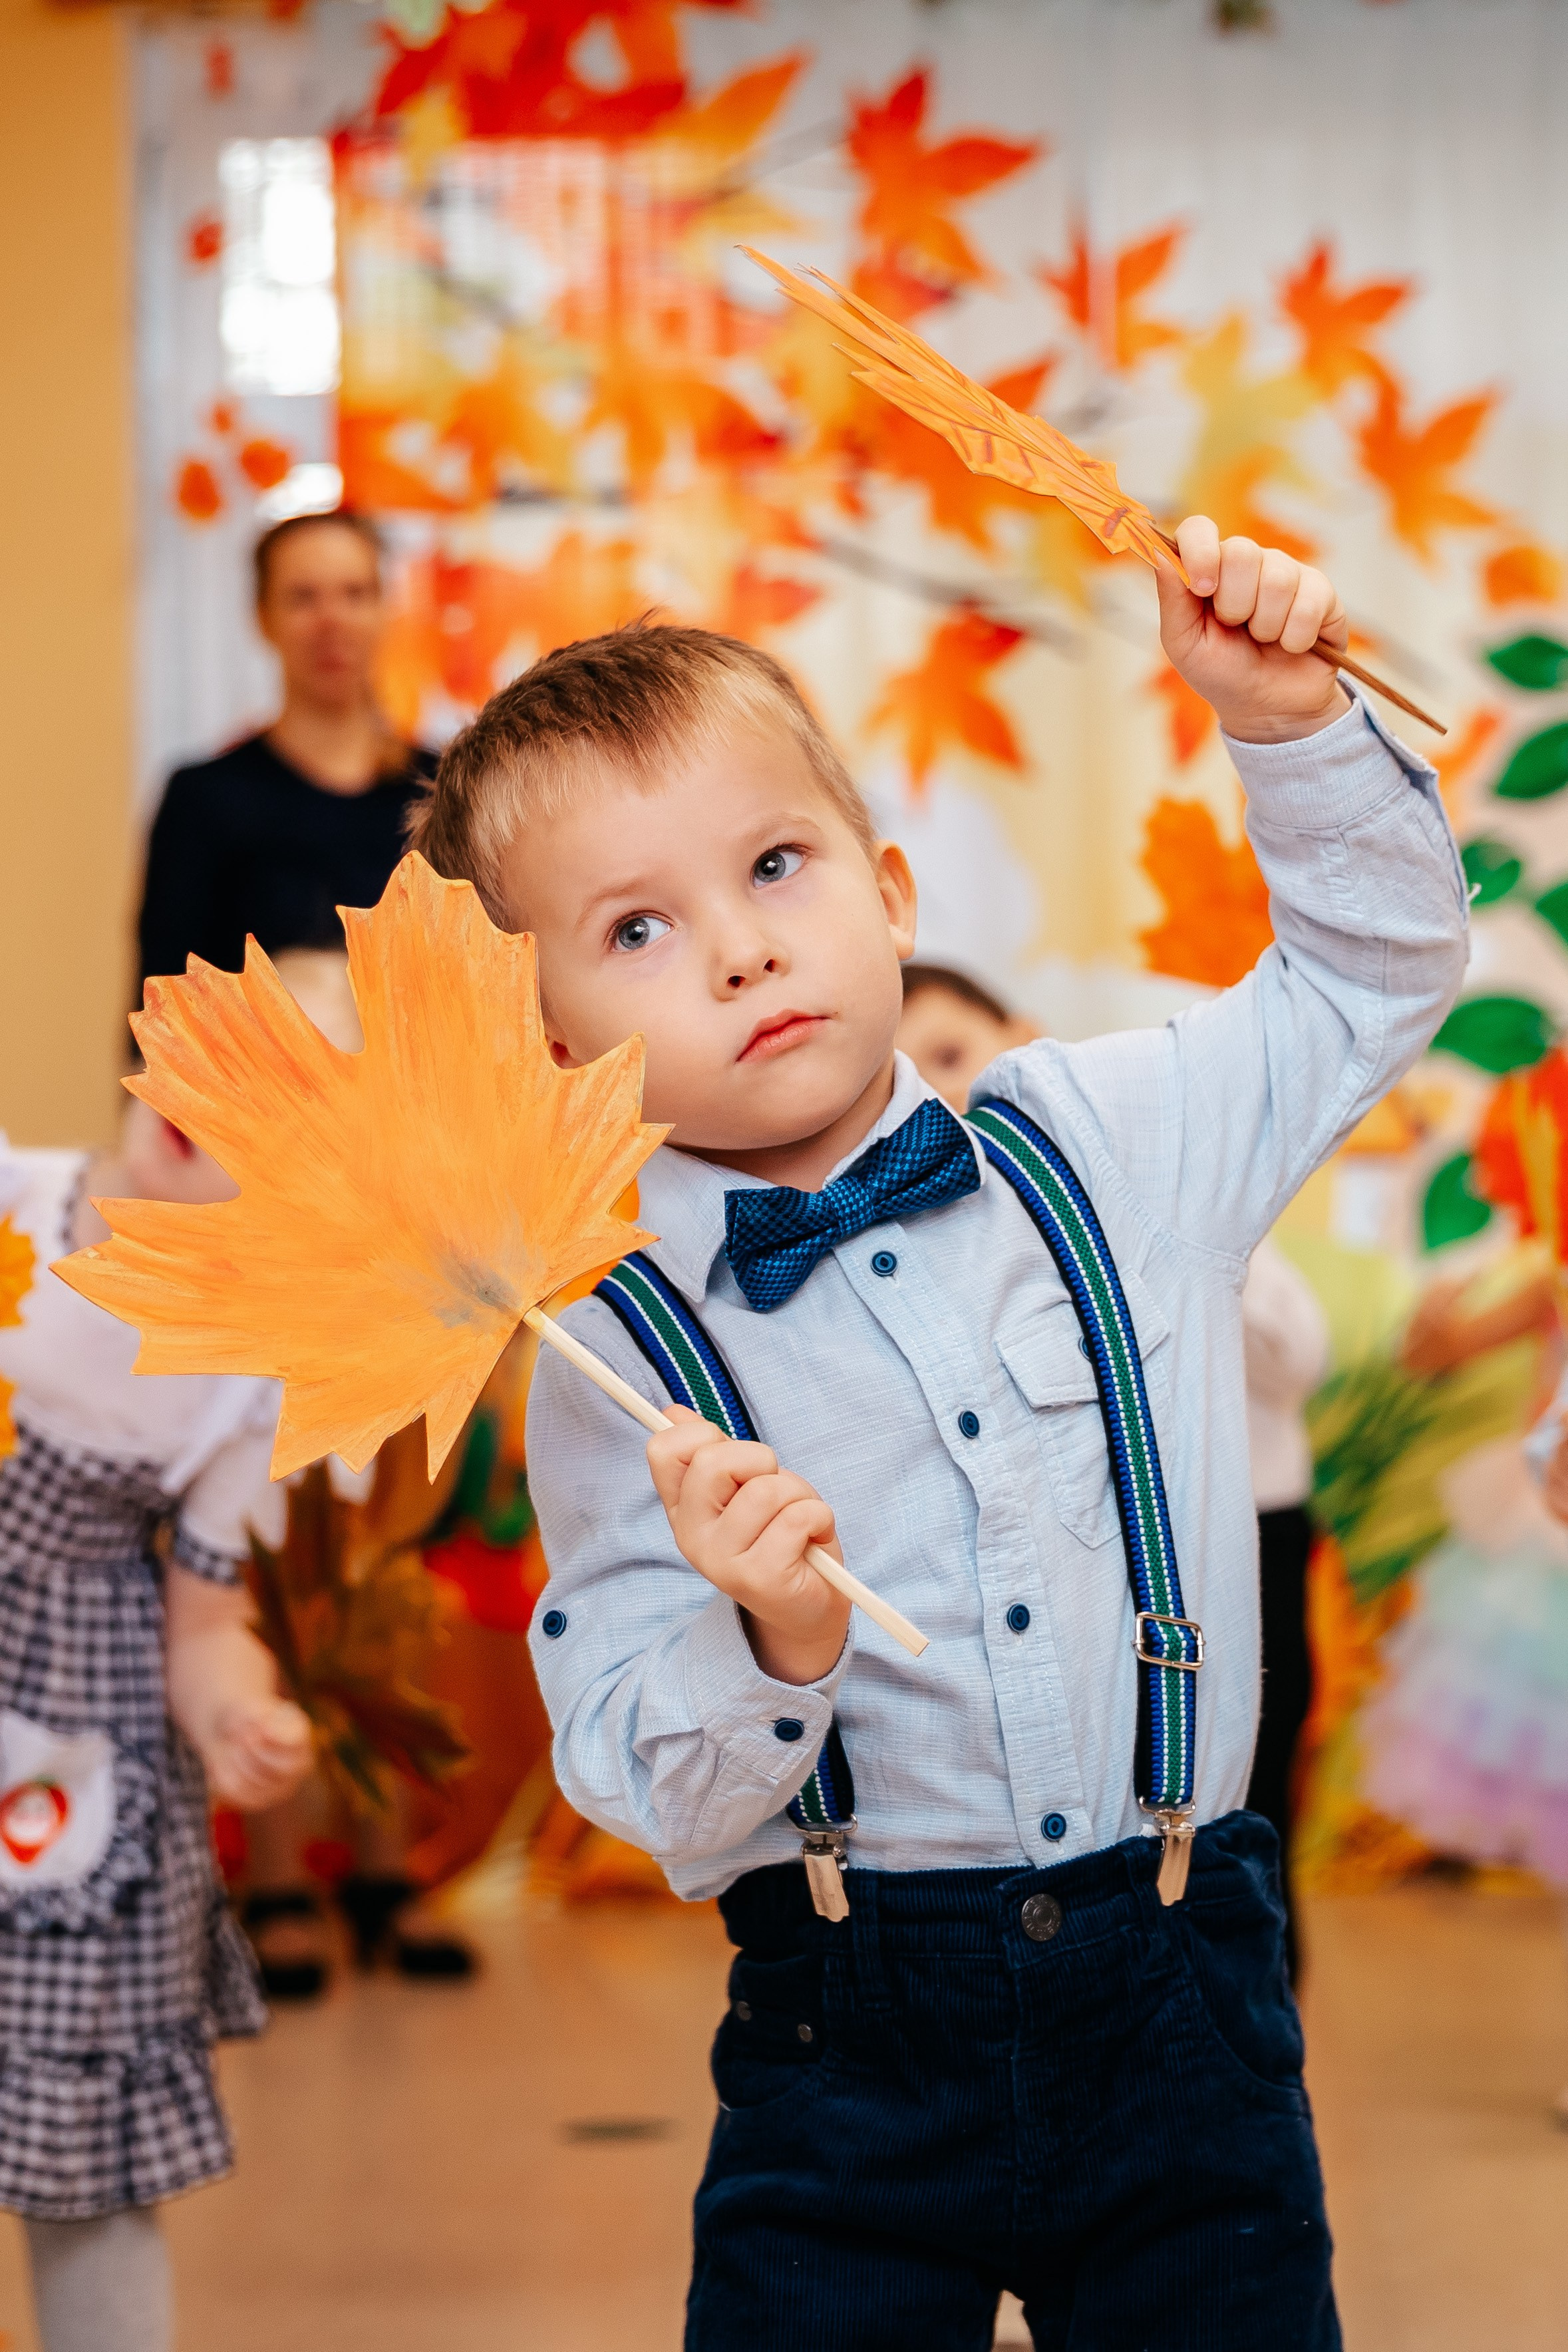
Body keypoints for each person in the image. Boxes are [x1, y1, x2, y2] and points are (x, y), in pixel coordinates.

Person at [412, 518, 1467, 2349]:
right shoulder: (605, 1343)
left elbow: (1371, 979)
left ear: (886, 888)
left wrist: (1284, 729)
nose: (739, 951)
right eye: (637, 927)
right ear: (545, 1037)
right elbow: (649, 1789)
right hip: (845, 2038)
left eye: (774, 863)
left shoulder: (1115, 1136)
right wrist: (766, 1638)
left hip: (1177, 1994)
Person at [896, 967, 1331, 1980]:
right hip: (1113, 1548)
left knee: (1251, 1792)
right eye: (915, 1076)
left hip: (1250, 1524)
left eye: (958, 1056)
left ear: (1025, 1039)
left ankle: (1263, 2000)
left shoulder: (1146, 1188)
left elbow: (1297, 1354)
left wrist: (1188, 1241)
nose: (947, 1095)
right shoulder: (955, 1243)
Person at [0, 1108, 311, 2352]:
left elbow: (202, 1624)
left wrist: (240, 1709)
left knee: (84, 2158)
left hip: (85, 1741)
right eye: (203, 1041)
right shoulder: (15, 1195)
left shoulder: (249, 1374)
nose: (208, 1095)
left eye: (270, 1097)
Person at [137, 510, 435, 987]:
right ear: (263, 617)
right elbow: (159, 1009)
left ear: (385, 608)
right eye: (303, 598)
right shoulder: (203, 799)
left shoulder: (443, 789)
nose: (331, 621)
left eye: (354, 594)